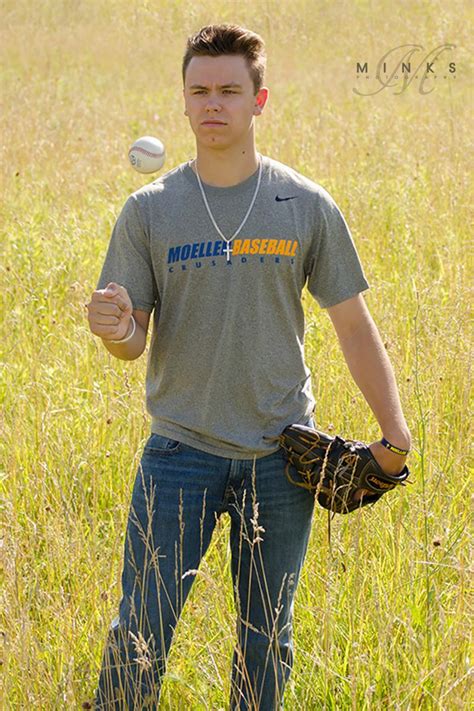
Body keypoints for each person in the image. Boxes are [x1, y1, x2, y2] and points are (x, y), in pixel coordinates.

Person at [87, 23, 411, 710]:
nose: (213, 104)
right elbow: (131, 340)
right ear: (183, 100)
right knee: (138, 630)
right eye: (199, 90)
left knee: (268, 638)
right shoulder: (149, 211)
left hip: (281, 454)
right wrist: (115, 328)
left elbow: (352, 322)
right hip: (180, 451)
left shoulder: (304, 203)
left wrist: (395, 430)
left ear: (259, 100)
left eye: (230, 90)